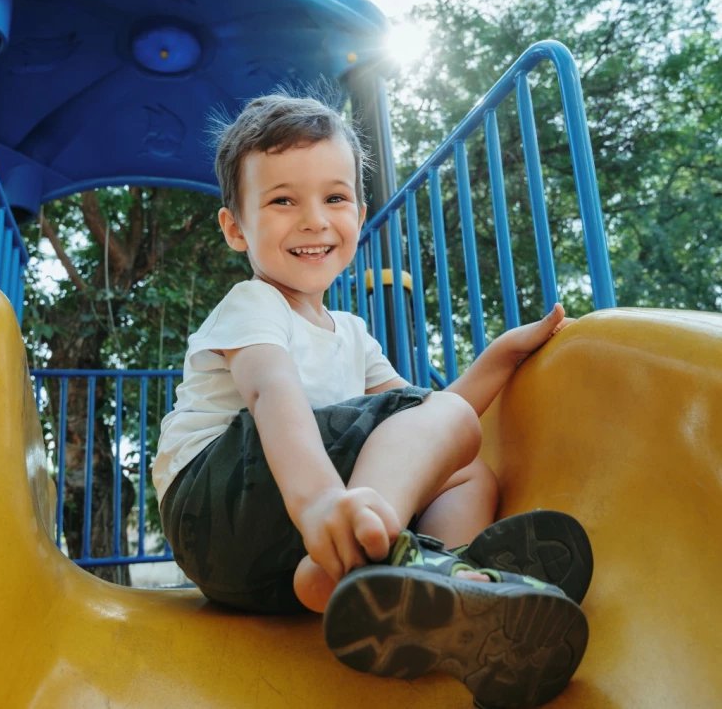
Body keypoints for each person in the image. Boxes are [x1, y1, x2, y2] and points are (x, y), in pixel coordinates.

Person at [153, 94, 592, 708]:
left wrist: (498, 361)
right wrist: (321, 505)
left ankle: (436, 585)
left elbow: (435, 425)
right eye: (283, 200)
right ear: (235, 227)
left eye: (334, 198)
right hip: (218, 506)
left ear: (359, 214)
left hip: (280, 565)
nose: (313, 220)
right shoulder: (255, 303)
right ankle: (393, 558)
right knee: (426, 423)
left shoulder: (353, 334)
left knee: (466, 467)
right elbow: (270, 391)